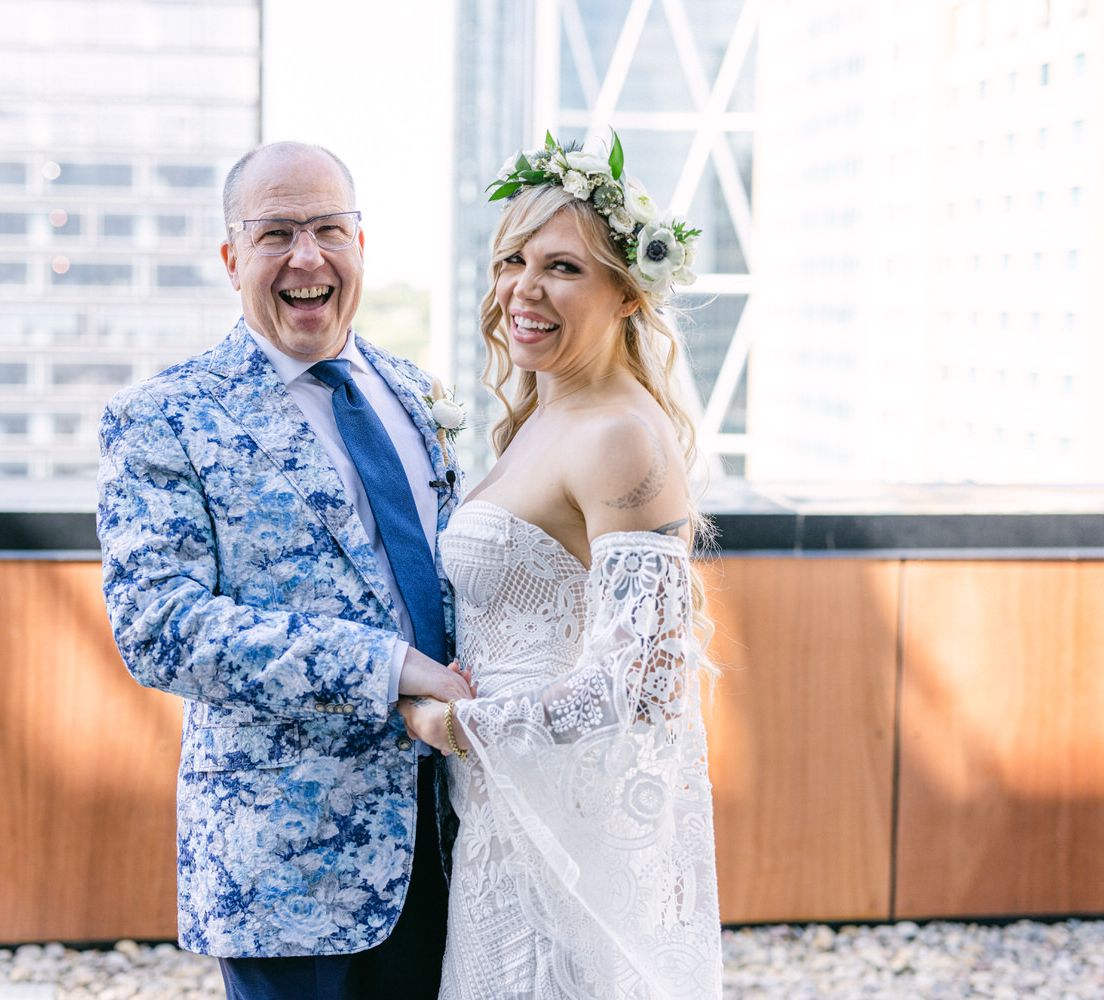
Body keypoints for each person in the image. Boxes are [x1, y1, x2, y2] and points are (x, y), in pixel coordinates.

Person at [97, 140, 470, 1000]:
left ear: (362, 246)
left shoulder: (414, 392)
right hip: (289, 879)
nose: (307, 257)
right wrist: (388, 668)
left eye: (329, 229)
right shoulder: (163, 418)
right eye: (276, 235)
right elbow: (161, 629)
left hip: (456, 844)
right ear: (233, 259)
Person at [398, 135, 723, 999]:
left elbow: (643, 682)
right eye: (513, 259)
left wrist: (453, 726)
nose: (524, 290)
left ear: (628, 291)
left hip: (560, 825)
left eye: (564, 268)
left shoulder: (620, 436)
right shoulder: (541, 418)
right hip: (502, 812)